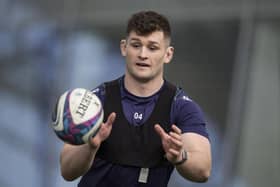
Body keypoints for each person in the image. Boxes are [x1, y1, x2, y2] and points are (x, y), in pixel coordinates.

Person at [59, 10, 212, 187]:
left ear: (168, 54)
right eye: (136, 45)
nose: (143, 54)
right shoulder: (96, 101)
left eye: (152, 47)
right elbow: (67, 171)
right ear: (124, 47)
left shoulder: (181, 106)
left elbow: (203, 170)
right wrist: (90, 147)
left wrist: (180, 156)